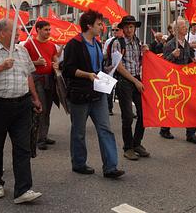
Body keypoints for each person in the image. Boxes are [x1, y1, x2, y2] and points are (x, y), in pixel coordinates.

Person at [0, 19, 43, 204]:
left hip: (22, 105)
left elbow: (28, 75)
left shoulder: (23, 50)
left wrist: (35, 97)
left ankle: (23, 189)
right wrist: (1, 67)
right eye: (16, 30)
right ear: (3, 33)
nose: (20, 33)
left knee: (23, 147)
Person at [62, 10, 125, 178]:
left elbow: (97, 68)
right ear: (89, 25)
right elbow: (67, 69)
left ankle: (110, 167)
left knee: (105, 129)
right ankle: (79, 163)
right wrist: (87, 75)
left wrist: (108, 69)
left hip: (98, 94)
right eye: (98, 24)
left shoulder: (97, 43)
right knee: (79, 132)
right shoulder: (74, 44)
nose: (101, 27)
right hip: (80, 95)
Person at [112, 15, 150, 160]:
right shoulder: (118, 43)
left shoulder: (138, 43)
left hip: (136, 80)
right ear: (122, 28)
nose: (129, 29)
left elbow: (140, 62)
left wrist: (146, 53)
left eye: (132, 26)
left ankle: (137, 143)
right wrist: (135, 81)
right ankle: (128, 147)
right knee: (127, 116)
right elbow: (119, 67)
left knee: (143, 114)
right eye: (127, 26)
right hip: (125, 82)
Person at [159, 17, 196, 144]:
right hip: (173, 81)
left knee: (190, 105)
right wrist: (173, 55)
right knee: (173, 106)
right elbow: (163, 64)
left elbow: (190, 56)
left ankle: (191, 133)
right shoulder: (170, 45)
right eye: (183, 27)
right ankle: (164, 128)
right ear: (177, 30)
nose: (186, 28)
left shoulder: (186, 43)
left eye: (185, 26)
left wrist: (193, 60)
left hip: (186, 79)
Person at [24, 21, 59, 151]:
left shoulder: (51, 45)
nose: (48, 32)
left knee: (48, 109)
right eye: (46, 29)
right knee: (40, 108)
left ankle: (43, 135)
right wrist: (36, 62)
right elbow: (23, 62)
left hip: (50, 79)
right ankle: (38, 138)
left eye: (49, 29)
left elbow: (55, 58)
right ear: (38, 30)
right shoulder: (29, 44)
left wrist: (56, 64)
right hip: (36, 79)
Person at [103, 22, 123, 115]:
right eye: (113, 29)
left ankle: (126, 110)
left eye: (117, 29)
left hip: (122, 68)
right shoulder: (109, 41)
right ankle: (109, 108)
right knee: (109, 89)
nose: (115, 31)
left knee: (122, 90)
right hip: (111, 67)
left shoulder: (124, 40)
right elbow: (104, 55)